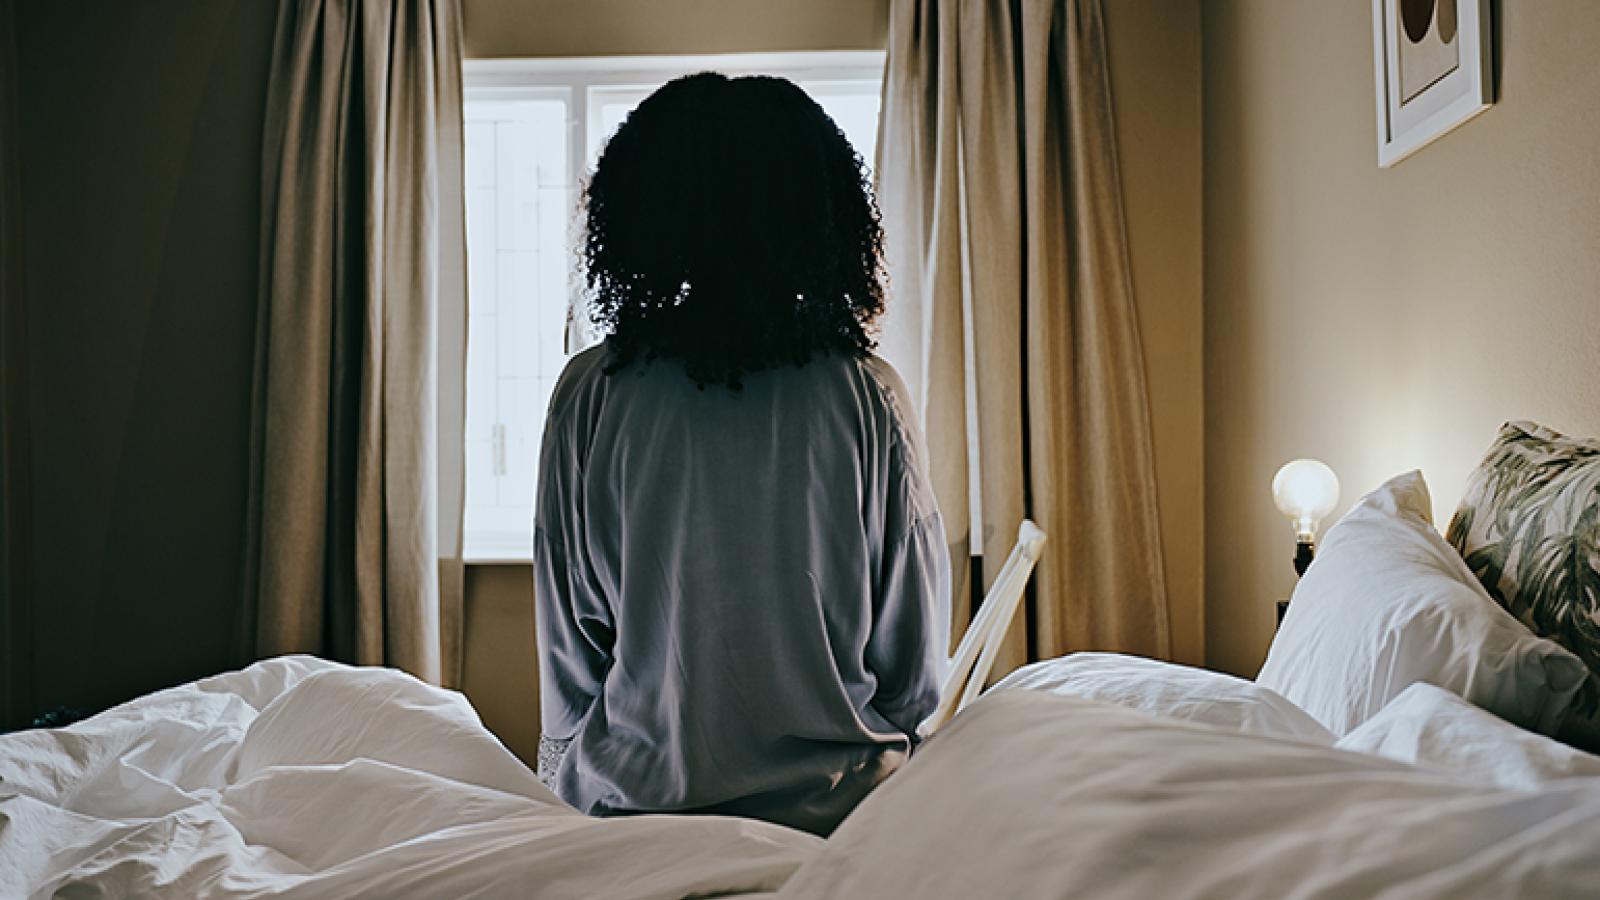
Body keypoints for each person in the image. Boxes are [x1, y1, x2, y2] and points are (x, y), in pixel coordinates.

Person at [533, 72, 950, 837]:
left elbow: (571, 672)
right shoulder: (870, 395)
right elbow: (914, 677)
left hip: (636, 814)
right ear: (823, 214)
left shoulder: (592, 391)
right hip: (838, 820)